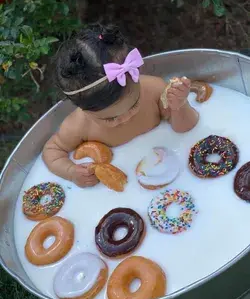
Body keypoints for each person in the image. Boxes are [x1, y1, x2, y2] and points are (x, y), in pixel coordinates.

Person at [42, 24, 199, 188]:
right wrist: (71, 171)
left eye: (134, 105)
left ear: (136, 78)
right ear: (84, 110)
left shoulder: (154, 90)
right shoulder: (79, 126)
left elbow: (185, 130)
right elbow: (52, 151)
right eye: (111, 118)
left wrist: (180, 106)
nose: (125, 118)